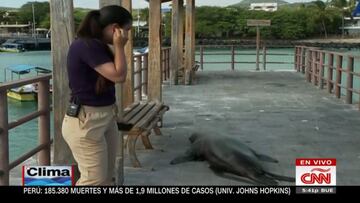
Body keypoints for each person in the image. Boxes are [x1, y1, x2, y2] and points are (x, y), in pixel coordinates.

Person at [61, 5, 132, 186]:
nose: (127, 35)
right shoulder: (86, 45)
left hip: (104, 117)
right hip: (87, 121)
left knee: (106, 178)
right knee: (94, 181)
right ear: (115, 28)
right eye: (127, 30)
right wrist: (119, 46)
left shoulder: (97, 46)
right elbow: (119, 75)